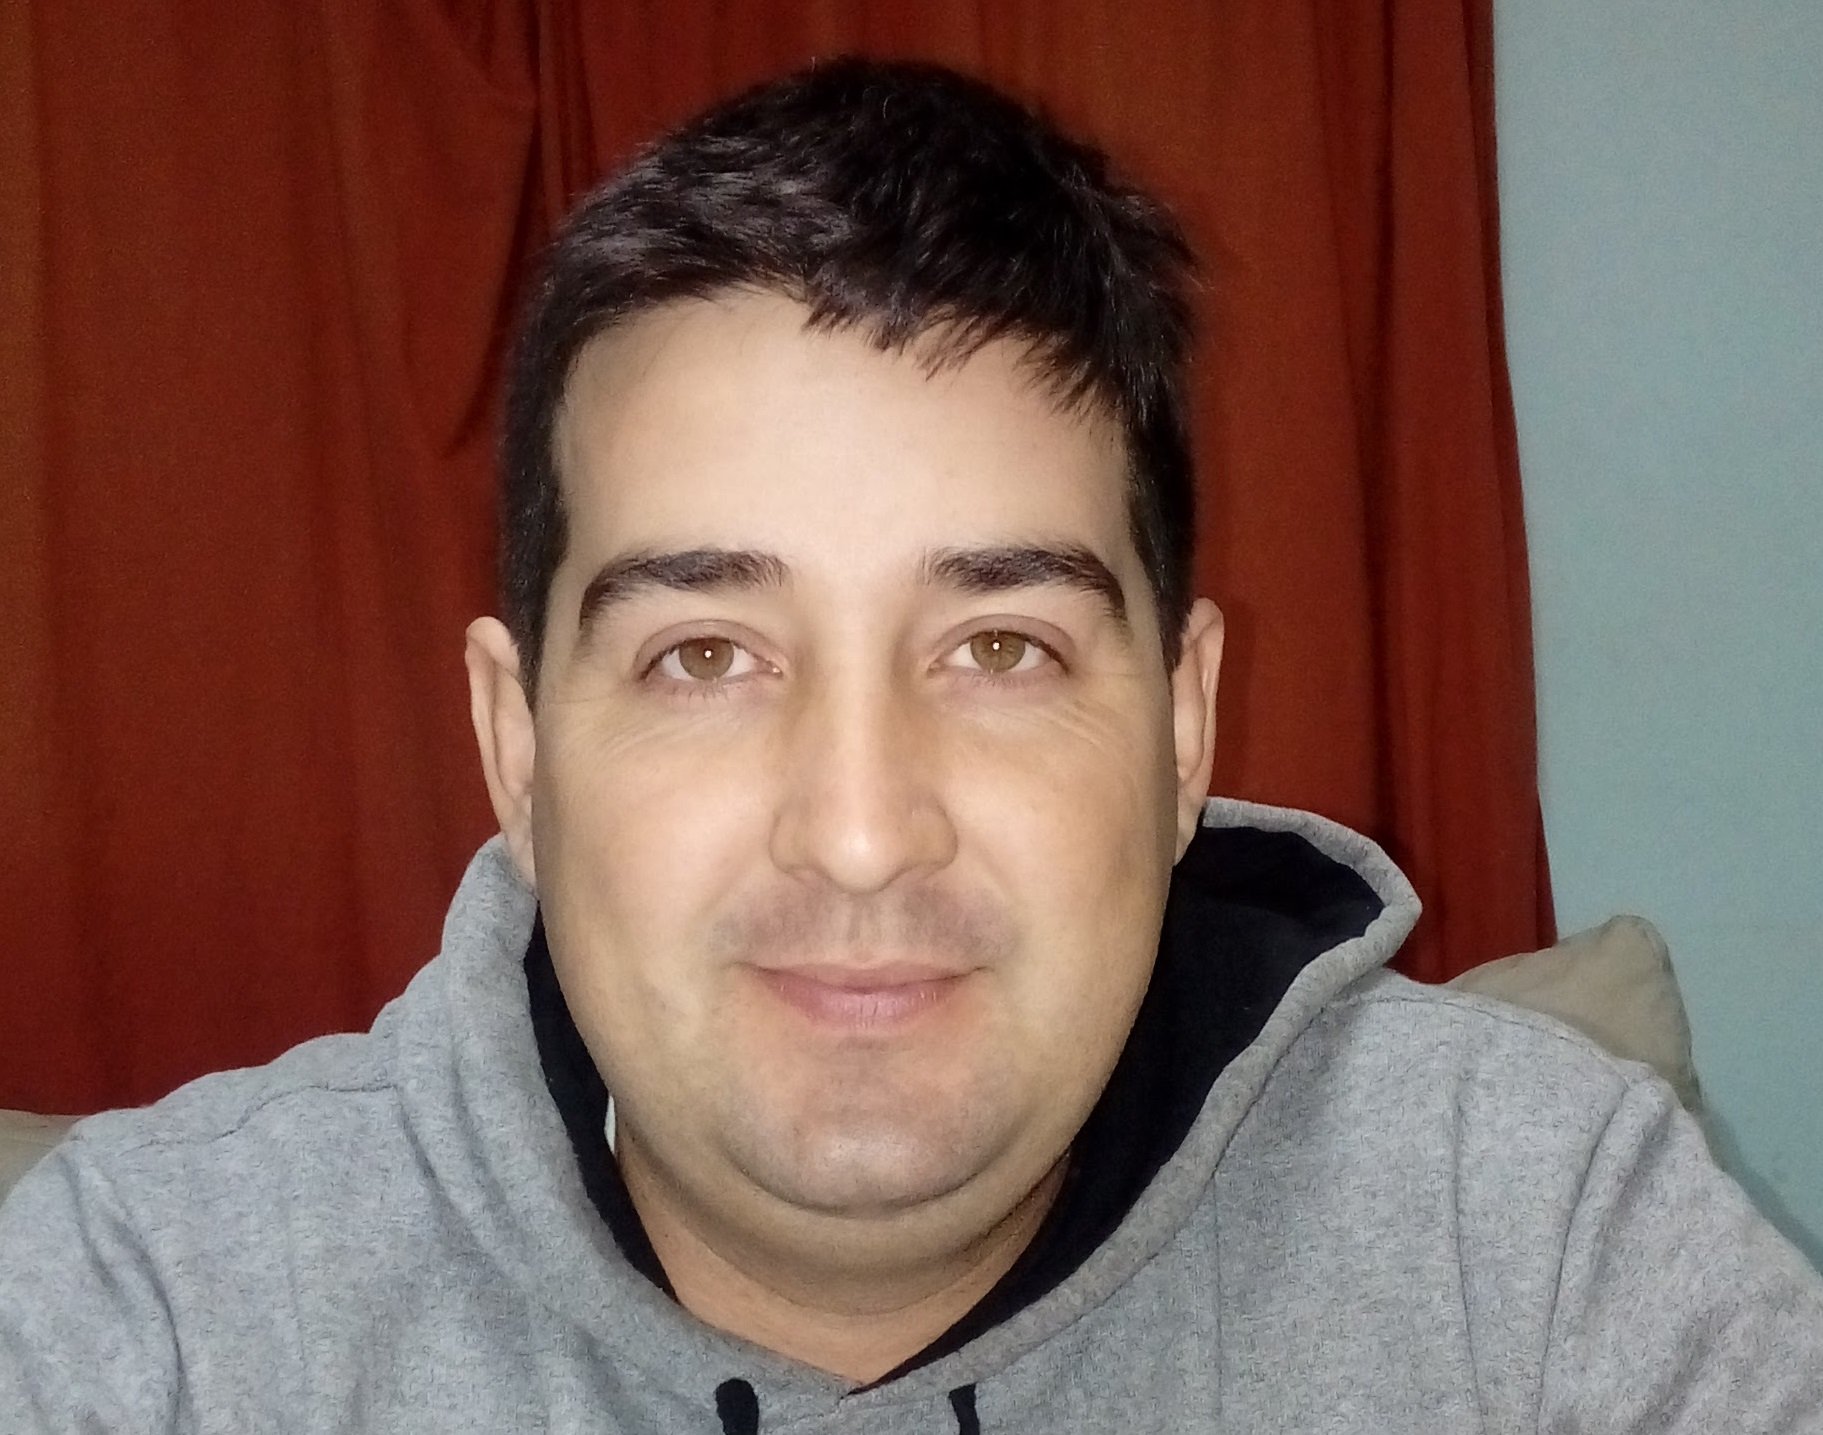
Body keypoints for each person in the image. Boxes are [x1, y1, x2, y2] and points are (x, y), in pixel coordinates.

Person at [3, 56, 1820, 1434]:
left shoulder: (1544, 1250)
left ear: (1184, 728)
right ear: (518, 750)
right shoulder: (149, 1323)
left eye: (1001, 648)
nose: (864, 832)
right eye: (706, 655)